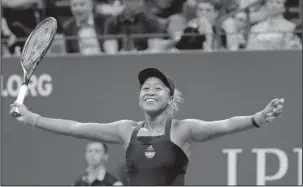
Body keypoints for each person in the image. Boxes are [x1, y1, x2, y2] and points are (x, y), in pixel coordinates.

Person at [10, 68, 285, 186]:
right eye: (145, 88)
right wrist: (32, 118)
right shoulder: (125, 131)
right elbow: (75, 127)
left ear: (170, 97)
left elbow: (223, 124)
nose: (149, 91)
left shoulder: (182, 130)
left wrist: (257, 118)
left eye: (157, 88)